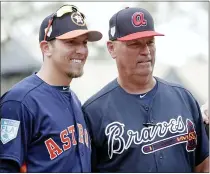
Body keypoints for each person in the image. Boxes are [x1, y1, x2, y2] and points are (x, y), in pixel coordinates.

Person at [82, 7, 209, 172]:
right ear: (111, 48)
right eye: (134, 44)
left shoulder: (183, 97)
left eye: (150, 42)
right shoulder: (93, 112)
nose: (146, 51)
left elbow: (204, 165)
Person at [0, 4, 102, 172]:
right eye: (71, 42)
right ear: (46, 48)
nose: (82, 50)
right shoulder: (20, 101)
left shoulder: (74, 99)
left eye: (84, 43)